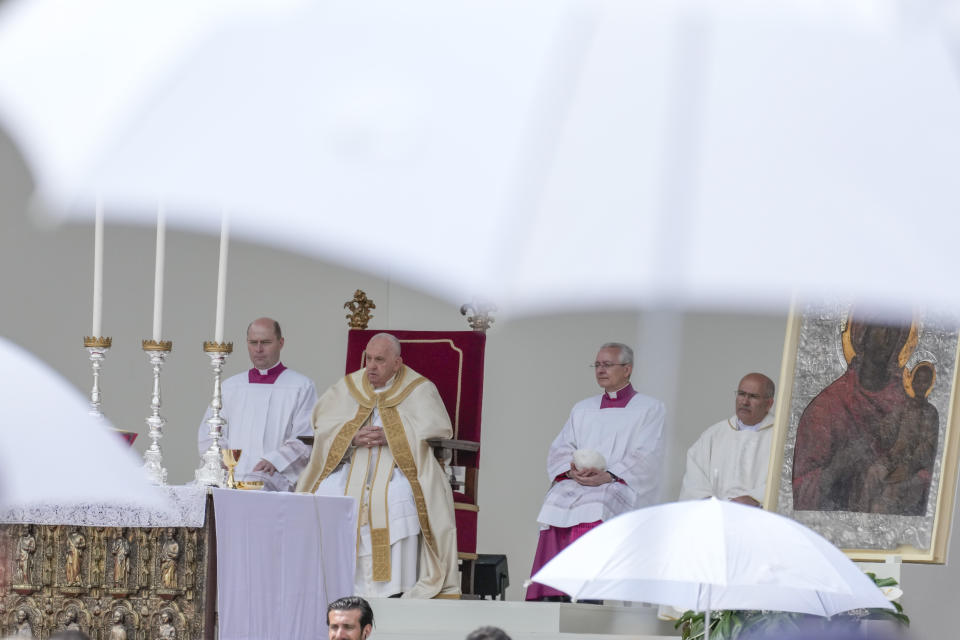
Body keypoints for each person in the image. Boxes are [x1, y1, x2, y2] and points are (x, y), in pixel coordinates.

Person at [298, 333, 459, 599]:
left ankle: (393, 588)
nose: (371, 366)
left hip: (400, 468)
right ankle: (333, 582)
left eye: (380, 361)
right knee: (327, 492)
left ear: (397, 363)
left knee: (395, 496)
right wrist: (351, 436)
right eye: (368, 358)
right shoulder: (349, 386)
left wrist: (394, 437)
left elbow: (438, 429)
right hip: (353, 462)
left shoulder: (419, 388)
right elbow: (322, 426)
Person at [526, 342, 665, 602]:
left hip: (620, 482)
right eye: (597, 365)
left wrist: (610, 475)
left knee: (600, 502)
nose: (600, 370)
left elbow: (649, 452)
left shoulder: (649, 408)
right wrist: (571, 472)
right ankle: (552, 591)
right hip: (580, 481)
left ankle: (589, 591)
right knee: (555, 500)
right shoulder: (582, 408)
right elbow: (561, 446)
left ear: (627, 369)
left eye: (607, 365)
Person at [792, 314, 919, 513]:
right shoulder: (827, 404)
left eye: (895, 330)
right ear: (862, 334)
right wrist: (835, 469)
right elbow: (796, 488)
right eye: (881, 327)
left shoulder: (908, 405)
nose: (888, 337)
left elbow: (927, 469)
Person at [197, 317, 318, 491]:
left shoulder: (301, 386)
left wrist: (275, 460)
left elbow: (305, 437)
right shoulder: (230, 386)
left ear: (280, 343)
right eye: (253, 343)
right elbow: (210, 432)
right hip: (229, 482)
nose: (259, 349)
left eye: (266, 342)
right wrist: (221, 460)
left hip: (273, 480)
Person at [679, 373, 776, 506]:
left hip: (758, 517)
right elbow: (695, 477)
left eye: (753, 397)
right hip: (716, 516)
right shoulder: (714, 434)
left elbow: (788, 481)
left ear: (769, 403)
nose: (745, 402)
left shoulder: (780, 438)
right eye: (741, 394)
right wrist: (709, 503)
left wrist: (756, 498)